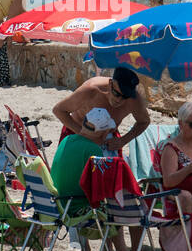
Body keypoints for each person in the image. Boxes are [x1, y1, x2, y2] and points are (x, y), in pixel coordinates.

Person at [51, 67, 152, 198]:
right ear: (110, 84)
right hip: (76, 133)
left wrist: (123, 140)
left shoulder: (134, 100)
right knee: (72, 186)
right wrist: (84, 135)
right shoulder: (92, 90)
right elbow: (59, 110)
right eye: (117, 93)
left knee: (112, 189)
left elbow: (144, 122)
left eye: (125, 97)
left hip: (108, 141)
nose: (119, 100)